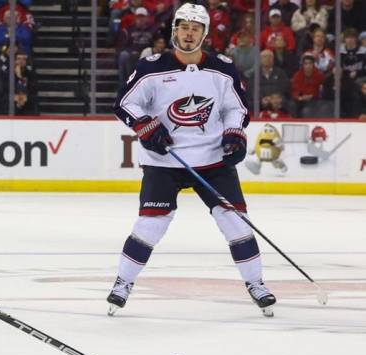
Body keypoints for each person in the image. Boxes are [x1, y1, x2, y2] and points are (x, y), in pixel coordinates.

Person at [110, 3, 276, 317]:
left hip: (212, 160)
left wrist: (233, 134)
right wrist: (147, 126)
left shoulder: (222, 68)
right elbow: (124, 103)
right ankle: (123, 282)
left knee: (236, 222)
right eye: (183, 27)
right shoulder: (151, 66)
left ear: (204, 33)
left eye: (195, 28)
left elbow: (236, 108)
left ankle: (256, 284)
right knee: (150, 225)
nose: (189, 34)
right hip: (165, 160)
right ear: (174, 30)